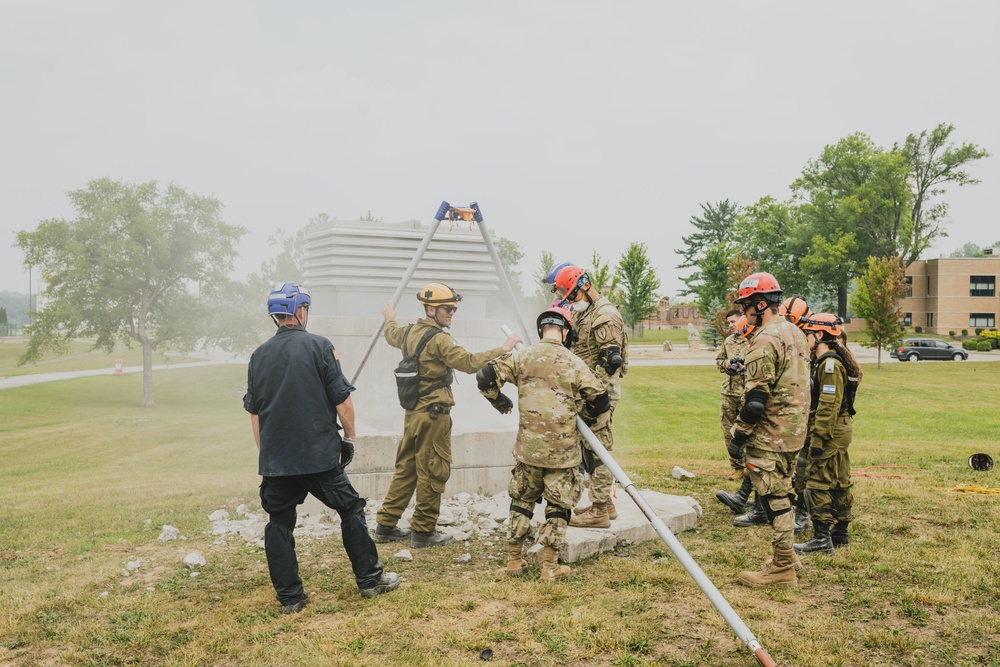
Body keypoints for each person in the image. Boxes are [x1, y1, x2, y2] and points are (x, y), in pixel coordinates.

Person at [243, 281, 399, 614]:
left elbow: (255, 415)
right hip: (319, 456)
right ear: (300, 310)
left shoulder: (258, 356)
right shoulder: (320, 346)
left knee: (279, 522)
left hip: (277, 461)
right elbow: (343, 402)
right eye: (306, 308)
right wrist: (351, 438)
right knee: (350, 509)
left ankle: (290, 599)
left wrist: (266, 454)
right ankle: (371, 581)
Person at [375, 282, 521, 548]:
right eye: (447, 308)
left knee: (406, 469)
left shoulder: (409, 332)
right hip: (434, 416)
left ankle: (386, 524)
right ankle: (423, 530)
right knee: (433, 470)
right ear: (430, 309)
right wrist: (503, 348)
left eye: (454, 308)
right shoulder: (440, 339)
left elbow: (391, 334)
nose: (452, 312)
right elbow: (467, 363)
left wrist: (390, 318)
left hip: (413, 414)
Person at [477, 307, 611, 581]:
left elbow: (484, 377)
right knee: (558, 506)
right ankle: (550, 567)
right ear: (565, 331)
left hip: (528, 450)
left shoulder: (522, 356)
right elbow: (601, 399)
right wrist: (583, 414)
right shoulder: (573, 362)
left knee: (522, 501)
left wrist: (500, 401)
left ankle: (514, 561)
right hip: (562, 454)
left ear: (541, 330)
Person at [728, 272, 811, 587]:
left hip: (770, 433)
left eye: (747, 305)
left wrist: (738, 436)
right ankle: (789, 557)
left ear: (761, 304)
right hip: (794, 430)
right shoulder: (795, 332)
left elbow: (755, 402)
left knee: (774, 499)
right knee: (783, 491)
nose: (744, 312)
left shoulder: (764, 338)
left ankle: (780, 569)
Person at [552, 266, 628, 529]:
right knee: (589, 449)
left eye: (570, 295)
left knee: (598, 451)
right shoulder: (588, 313)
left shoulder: (604, 316)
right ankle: (605, 504)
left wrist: (594, 397)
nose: (569, 301)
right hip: (587, 392)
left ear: (584, 285)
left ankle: (598, 511)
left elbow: (610, 362)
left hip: (598, 394)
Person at [794, 313, 861, 555]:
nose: (805, 339)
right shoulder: (825, 362)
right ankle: (840, 533)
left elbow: (827, 405)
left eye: (807, 335)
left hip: (831, 430)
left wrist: (819, 439)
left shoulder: (829, 365)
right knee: (840, 479)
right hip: (840, 428)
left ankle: (821, 538)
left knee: (817, 481)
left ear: (819, 335)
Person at [714, 310, 753, 515]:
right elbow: (719, 361)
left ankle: (750, 468)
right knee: (728, 431)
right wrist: (726, 364)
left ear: (742, 319)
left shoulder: (753, 340)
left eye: (733, 321)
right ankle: (737, 467)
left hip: (746, 393)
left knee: (746, 432)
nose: (730, 324)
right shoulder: (728, 341)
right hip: (728, 392)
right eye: (728, 322)